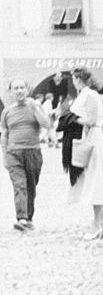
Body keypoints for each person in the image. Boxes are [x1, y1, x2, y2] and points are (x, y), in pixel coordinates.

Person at [64, 68, 103, 239]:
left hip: (92, 138)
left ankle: (96, 225)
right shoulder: (85, 94)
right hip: (88, 137)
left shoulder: (90, 95)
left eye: (74, 78)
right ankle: (102, 223)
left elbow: (91, 121)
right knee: (91, 179)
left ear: (77, 79)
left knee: (95, 180)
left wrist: (71, 118)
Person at [1, 78, 50, 232]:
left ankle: (28, 218)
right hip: (13, 153)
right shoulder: (7, 111)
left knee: (31, 187)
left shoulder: (35, 105)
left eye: (22, 87)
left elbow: (47, 124)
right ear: (11, 92)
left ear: (27, 90)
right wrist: (4, 155)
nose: (19, 91)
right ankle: (21, 218)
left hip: (33, 152)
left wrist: (35, 108)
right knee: (19, 185)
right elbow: (4, 134)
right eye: (16, 88)